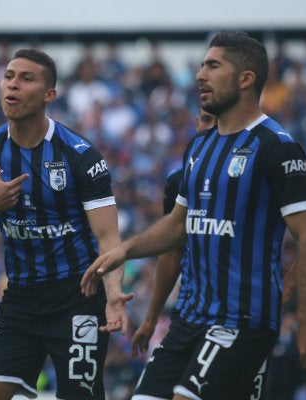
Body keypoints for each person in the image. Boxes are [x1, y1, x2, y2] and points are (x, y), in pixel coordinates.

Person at [81, 31, 306, 400]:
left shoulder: (276, 147)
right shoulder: (200, 146)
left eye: (213, 65)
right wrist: (125, 250)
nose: (200, 74)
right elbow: (177, 226)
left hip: (242, 321)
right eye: (202, 65)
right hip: (188, 319)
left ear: (246, 79)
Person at [0, 48, 132, 400]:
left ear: (49, 95)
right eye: (9, 76)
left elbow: (108, 238)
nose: (12, 85)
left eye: (26, 79)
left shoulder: (80, 156)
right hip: (21, 302)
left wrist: (114, 294)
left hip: (79, 299)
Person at [130, 109, 216, 363]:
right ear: (197, 123)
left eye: (218, 120)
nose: (212, 127)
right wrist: (150, 318)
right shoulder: (179, 179)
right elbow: (172, 249)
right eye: (206, 119)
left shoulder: (254, 172)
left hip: (239, 315)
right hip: (188, 312)